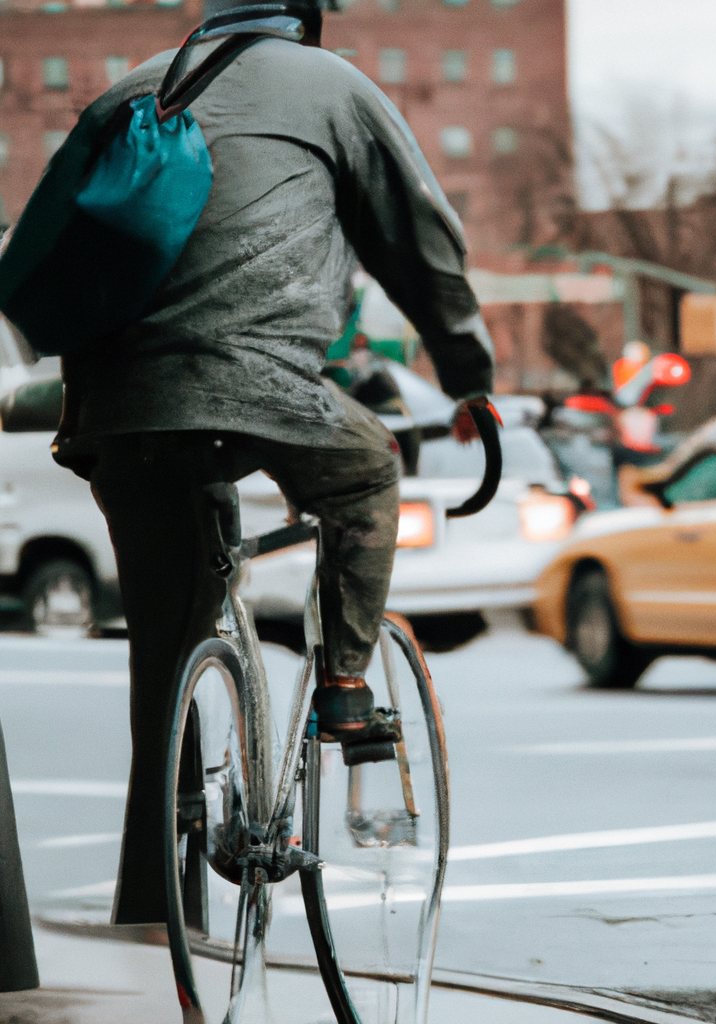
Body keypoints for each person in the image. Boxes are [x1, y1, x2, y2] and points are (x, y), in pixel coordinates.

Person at [48, 0, 495, 926]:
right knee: (366, 471)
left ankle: (155, 900)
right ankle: (342, 686)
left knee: (164, 652)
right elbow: (422, 247)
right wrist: (469, 378)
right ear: (305, 18)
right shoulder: (333, 88)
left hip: (117, 411)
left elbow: (45, 255)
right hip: (264, 385)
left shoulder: (127, 93)